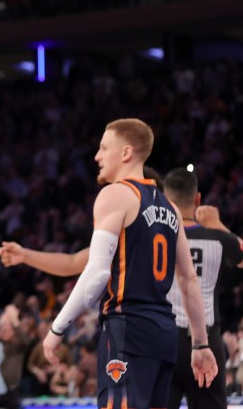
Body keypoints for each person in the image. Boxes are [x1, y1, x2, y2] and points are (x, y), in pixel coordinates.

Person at [0, 168, 243, 408]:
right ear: (197, 199)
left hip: (149, 332)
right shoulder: (216, 239)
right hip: (197, 337)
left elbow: (74, 263)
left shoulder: (139, 231)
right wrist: (221, 227)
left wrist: (26, 256)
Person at [36, 119, 218, 409]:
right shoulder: (169, 207)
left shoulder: (115, 194)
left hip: (127, 329)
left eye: (103, 148)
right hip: (164, 335)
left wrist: (57, 328)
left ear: (126, 153)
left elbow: (96, 273)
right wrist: (200, 344)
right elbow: (188, 280)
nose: (97, 156)